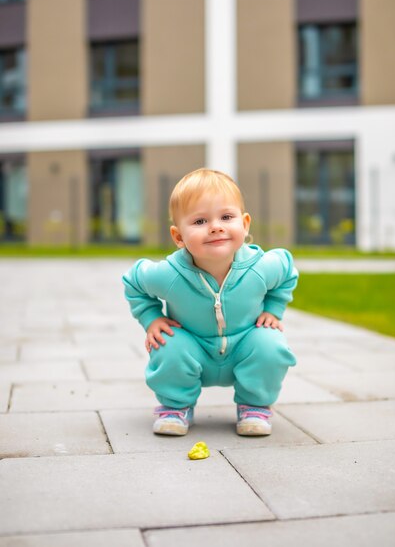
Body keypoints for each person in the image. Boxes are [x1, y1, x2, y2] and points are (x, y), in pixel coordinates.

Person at [123, 168, 297, 437]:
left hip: (244, 346)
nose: (216, 226)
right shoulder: (169, 275)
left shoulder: (261, 267)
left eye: (227, 217)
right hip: (193, 347)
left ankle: (254, 406)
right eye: (200, 221)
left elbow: (287, 272)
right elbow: (133, 280)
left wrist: (273, 309)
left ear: (245, 224)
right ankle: (175, 407)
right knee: (168, 343)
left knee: (271, 343)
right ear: (178, 236)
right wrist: (151, 318)